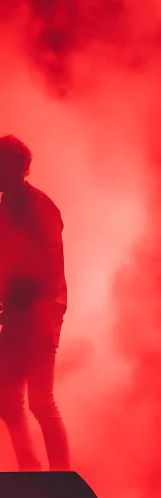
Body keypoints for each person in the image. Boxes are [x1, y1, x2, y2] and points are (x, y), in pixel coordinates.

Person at [0, 135, 70, 471]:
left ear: (19, 168)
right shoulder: (8, 206)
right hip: (22, 311)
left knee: (40, 400)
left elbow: (44, 263)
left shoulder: (37, 205)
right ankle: (34, 474)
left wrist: (11, 295)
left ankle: (58, 480)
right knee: (11, 400)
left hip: (39, 311)